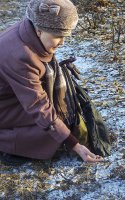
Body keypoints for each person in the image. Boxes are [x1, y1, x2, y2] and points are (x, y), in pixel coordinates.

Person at [0, 0, 103, 163]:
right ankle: (7, 142)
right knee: (50, 130)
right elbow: (37, 105)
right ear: (40, 31)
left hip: (11, 96)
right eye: (58, 36)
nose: (62, 42)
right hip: (4, 107)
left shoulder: (29, 31)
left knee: (54, 119)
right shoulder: (22, 56)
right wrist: (73, 143)